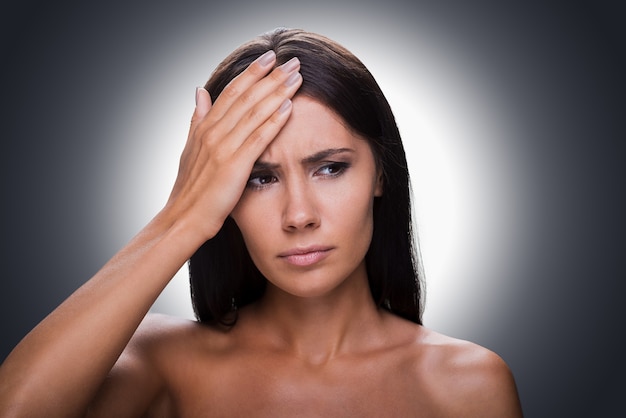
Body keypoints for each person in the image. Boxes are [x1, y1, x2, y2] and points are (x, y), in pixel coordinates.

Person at [0, 28, 523, 417]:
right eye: (259, 179)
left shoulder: (467, 386)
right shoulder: (161, 363)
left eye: (330, 168)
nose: (299, 216)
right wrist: (183, 215)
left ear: (381, 174)